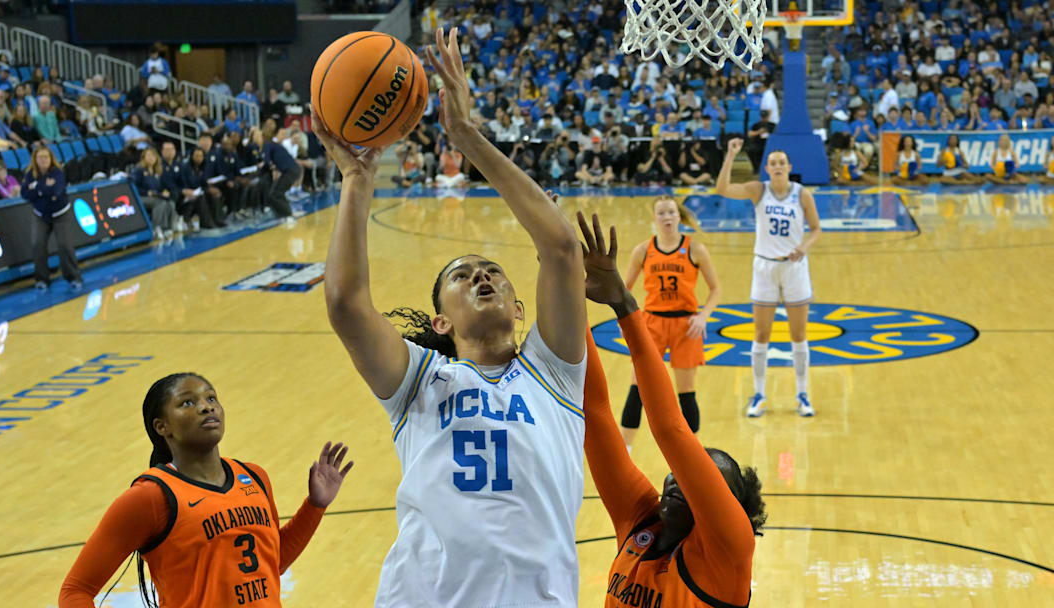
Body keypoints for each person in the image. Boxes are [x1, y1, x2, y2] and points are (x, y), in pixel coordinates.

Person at [313, 26, 587, 607]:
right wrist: (357, 179)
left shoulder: (555, 372)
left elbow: (562, 250)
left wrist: (468, 136)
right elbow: (345, 303)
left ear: (520, 308)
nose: (480, 276)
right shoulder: (417, 383)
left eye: (491, 271)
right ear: (441, 323)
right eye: (461, 276)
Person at [578, 211, 764, 608]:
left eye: (705, 477)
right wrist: (567, 292)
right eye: (685, 471)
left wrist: (626, 307)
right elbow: (593, 412)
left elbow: (670, 430)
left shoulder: (729, 554)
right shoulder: (640, 522)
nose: (684, 478)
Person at [58, 373, 353, 607]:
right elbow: (75, 591)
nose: (206, 406)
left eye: (211, 398)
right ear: (162, 427)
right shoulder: (150, 497)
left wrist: (315, 506)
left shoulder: (253, 476)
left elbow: (271, 564)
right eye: (187, 402)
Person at [717, 139, 821, 418]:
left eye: (781, 163)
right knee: (761, 334)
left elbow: (816, 229)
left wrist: (803, 248)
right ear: (767, 168)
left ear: (789, 167)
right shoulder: (757, 190)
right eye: (772, 163)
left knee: (798, 335)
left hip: (794, 268)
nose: (777, 166)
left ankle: (802, 394)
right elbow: (722, 189)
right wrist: (730, 154)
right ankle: (760, 394)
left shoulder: (801, 194)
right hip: (764, 266)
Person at [618, 196, 721, 450]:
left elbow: (716, 289)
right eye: (661, 213)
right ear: (655, 218)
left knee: (686, 392)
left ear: (679, 216)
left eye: (671, 212)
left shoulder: (695, 249)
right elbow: (623, 289)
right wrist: (628, 320)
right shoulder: (643, 250)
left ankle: (692, 452)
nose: (666, 217)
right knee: (638, 388)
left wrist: (703, 315)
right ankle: (624, 451)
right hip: (652, 324)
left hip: (686, 326)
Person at [24, 145, 82, 291]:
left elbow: (56, 190)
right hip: (40, 215)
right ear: (35, 160)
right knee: (38, 245)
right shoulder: (30, 174)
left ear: (51, 159)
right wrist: (44, 188)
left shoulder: (58, 172)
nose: (43, 160)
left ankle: (74, 277)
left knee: (64, 245)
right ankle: (42, 279)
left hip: (60, 214)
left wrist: (36, 188)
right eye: (40, 157)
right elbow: (25, 194)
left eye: (45, 157)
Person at [131, 148, 181, 240]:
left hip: (155, 196)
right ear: (143, 158)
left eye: (153, 156)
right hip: (140, 197)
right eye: (149, 155)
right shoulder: (139, 170)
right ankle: (156, 228)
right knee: (160, 203)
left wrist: (164, 192)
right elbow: (133, 187)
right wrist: (147, 192)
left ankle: (168, 228)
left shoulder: (157, 171)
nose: (151, 158)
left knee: (169, 202)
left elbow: (160, 187)